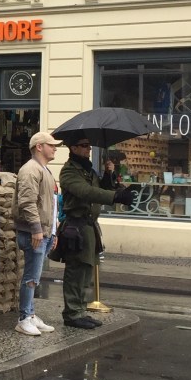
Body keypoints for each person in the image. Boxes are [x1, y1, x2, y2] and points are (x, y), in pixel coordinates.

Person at [53, 137, 135, 329]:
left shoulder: (88, 170)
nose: (88, 149)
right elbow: (87, 192)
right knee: (76, 270)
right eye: (84, 146)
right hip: (76, 226)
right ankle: (72, 313)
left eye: (89, 145)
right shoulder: (69, 171)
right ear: (73, 148)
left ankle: (80, 310)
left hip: (89, 226)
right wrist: (116, 197)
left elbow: (99, 188)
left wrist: (109, 175)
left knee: (86, 270)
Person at [11, 131, 61, 336]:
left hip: (44, 231)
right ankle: (24, 318)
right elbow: (27, 202)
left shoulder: (44, 170)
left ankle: (30, 314)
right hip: (35, 232)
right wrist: (37, 229)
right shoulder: (31, 170)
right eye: (51, 145)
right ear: (39, 146)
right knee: (31, 277)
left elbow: (51, 203)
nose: (55, 148)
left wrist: (53, 231)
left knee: (35, 276)